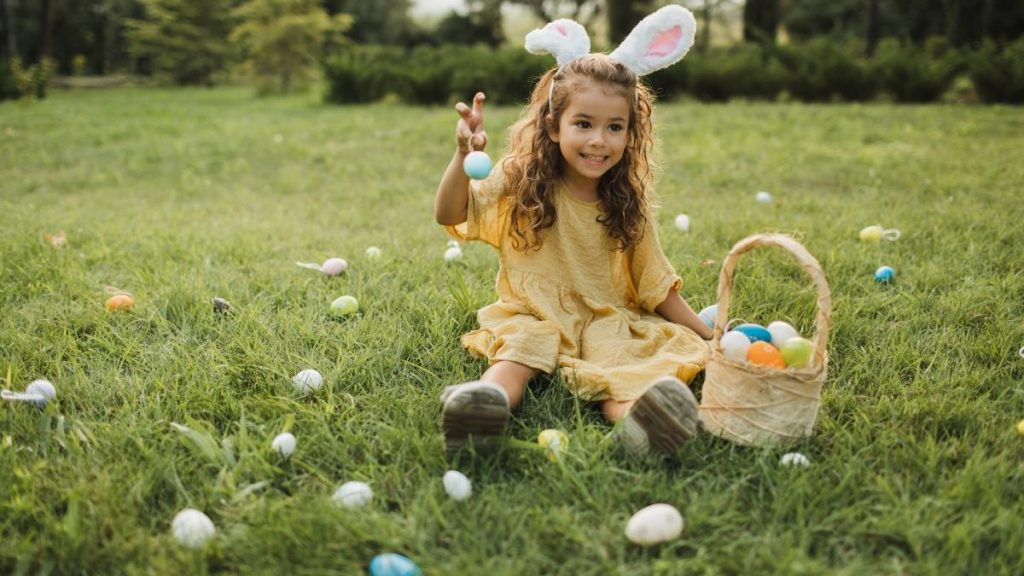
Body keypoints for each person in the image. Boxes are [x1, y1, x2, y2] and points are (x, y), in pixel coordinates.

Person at [434, 6, 711, 458]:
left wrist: (707, 334)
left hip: (603, 315)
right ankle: (485, 408)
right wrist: (461, 156)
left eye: (614, 127)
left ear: (630, 134)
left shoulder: (627, 203)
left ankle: (639, 426)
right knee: (518, 354)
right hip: (532, 311)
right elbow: (450, 211)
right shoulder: (520, 178)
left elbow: (656, 285)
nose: (599, 140)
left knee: (619, 361)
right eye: (584, 124)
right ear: (552, 124)